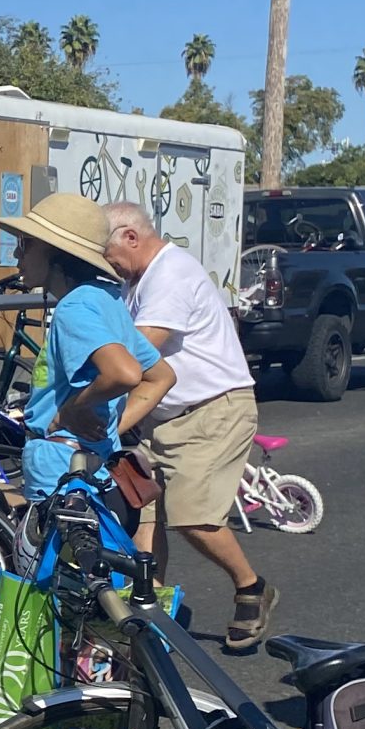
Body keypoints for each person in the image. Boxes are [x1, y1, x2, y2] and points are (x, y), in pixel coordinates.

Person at [106, 202, 280, 651]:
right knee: (144, 517)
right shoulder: (136, 280)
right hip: (161, 418)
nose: (105, 260)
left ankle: (251, 587)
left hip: (212, 409)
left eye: (106, 249)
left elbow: (140, 353)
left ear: (130, 236)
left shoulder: (170, 274)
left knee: (192, 517)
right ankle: (149, 610)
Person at [0, 192, 176, 503]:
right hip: (96, 464)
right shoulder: (106, 299)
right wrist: (109, 426)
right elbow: (161, 376)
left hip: (61, 469)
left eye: (26, 244)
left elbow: (125, 373)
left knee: (50, 552)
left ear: (54, 252)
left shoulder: (73, 307)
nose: (17, 256)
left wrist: (72, 409)